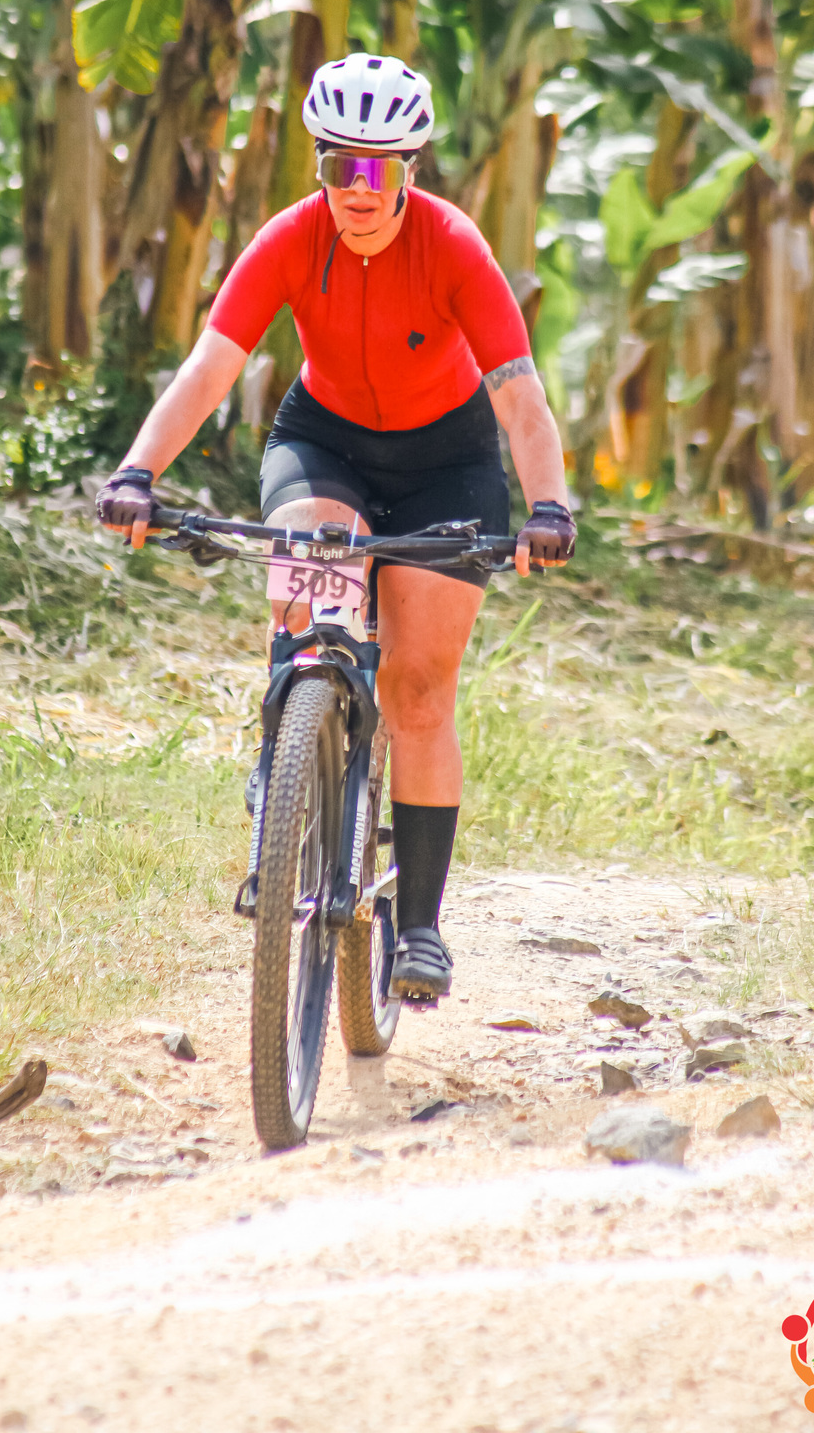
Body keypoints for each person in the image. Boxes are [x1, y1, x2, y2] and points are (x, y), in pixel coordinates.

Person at [97, 52, 575, 1001]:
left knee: (419, 689)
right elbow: (209, 367)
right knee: (308, 586)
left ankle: (422, 927)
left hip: (447, 464)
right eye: (336, 166)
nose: (356, 188)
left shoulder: (453, 245)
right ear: (316, 165)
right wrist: (136, 471)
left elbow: (519, 395)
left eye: (377, 169)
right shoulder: (288, 238)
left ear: (409, 171)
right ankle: (289, 757)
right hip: (325, 446)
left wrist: (549, 505)